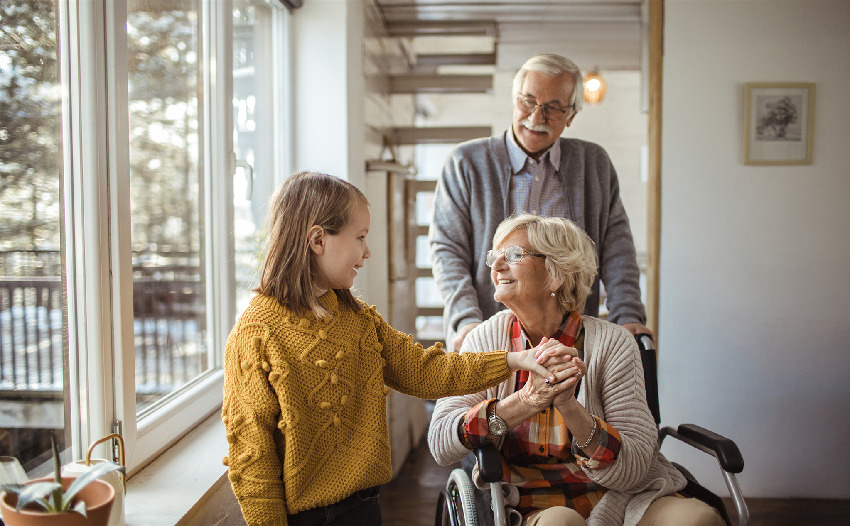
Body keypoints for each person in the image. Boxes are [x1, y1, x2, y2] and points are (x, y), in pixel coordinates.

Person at [221, 172, 577, 526]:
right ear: (318, 239)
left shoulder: (359, 320)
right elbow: (251, 457)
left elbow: (426, 372)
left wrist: (515, 359)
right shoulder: (256, 332)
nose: (367, 251)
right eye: (360, 237)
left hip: (364, 508)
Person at [428, 215, 724, 526]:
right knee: (561, 523)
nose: (496, 265)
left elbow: (634, 466)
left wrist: (570, 406)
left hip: (622, 497)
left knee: (698, 519)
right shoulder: (483, 341)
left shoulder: (614, 343)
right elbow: (441, 441)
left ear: (557, 273)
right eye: (494, 256)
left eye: (514, 255)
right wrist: (526, 402)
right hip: (530, 504)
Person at [430, 53, 650, 352]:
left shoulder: (593, 163)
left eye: (553, 108)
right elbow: (447, 250)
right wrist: (467, 320)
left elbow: (616, 249)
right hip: (488, 335)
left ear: (570, 115)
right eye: (527, 101)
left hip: (573, 336)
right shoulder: (465, 163)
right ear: (513, 99)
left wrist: (627, 315)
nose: (536, 117)